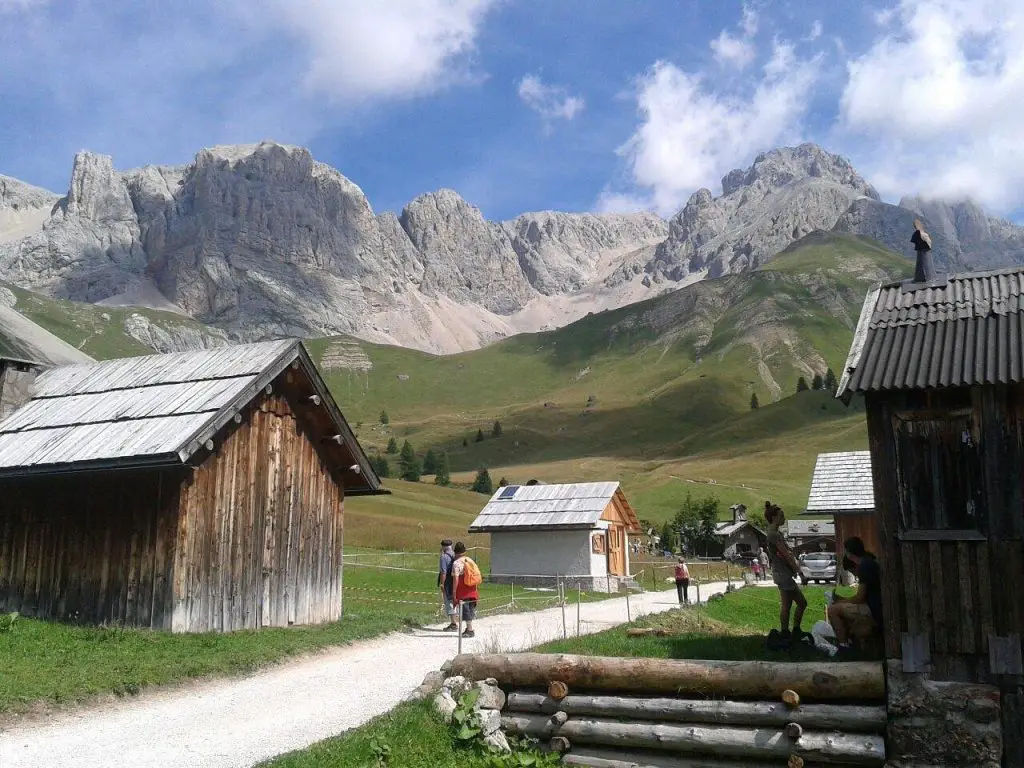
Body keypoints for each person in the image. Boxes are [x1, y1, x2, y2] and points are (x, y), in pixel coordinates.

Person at [764, 502, 809, 647]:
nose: (784, 517)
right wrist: (799, 571)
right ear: (774, 517)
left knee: (788, 604)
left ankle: (788, 632)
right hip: (782, 574)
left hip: (782, 573)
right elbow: (786, 555)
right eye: (781, 515)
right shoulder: (773, 535)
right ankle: (791, 631)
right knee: (800, 603)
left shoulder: (774, 533)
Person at [828, 537, 883, 650]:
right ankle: (850, 642)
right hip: (874, 605)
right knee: (840, 608)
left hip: (873, 609)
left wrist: (841, 601)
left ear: (849, 552)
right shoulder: (869, 561)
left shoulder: (864, 566)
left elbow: (859, 598)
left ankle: (843, 646)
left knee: (833, 610)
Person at [450, 541, 480, 638]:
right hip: (473, 588)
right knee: (470, 609)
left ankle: (470, 630)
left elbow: (456, 579)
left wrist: (454, 592)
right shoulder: (470, 560)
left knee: (465, 610)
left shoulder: (456, 563)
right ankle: (468, 628)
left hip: (463, 590)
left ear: (456, 552)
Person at [437, 538, 457, 631]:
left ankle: (453, 624)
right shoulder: (455, 555)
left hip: (448, 582)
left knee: (449, 601)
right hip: (456, 580)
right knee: (455, 600)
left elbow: (443, 572)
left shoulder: (443, 556)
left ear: (443, 546)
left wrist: (442, 584)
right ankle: (456, 621)